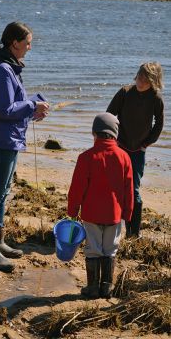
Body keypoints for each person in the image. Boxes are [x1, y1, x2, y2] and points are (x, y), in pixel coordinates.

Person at [0, 21, 49, 273]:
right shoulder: (1, 70)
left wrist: (35, 105)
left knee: (3, 192)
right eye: (28, 43)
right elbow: (4, 109)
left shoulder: (9, 67)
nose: (30, 47)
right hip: (1, 140)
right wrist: (32, 107)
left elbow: (13, 104)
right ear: (14, 44)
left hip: (9, 138)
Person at [68, 112, 133, 299]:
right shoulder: (124, 157)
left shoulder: (86, 157)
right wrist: (127, 214)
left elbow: (77, 188)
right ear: (115, 134)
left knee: (93, 249)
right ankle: (107, 287)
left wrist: (72, 210)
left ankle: (92, 288)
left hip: (91, 214)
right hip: (114, 215)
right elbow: (129, 190)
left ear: (94, 134)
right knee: (110, 249)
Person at [107, 62, 164, 238]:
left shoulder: (155, 98)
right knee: (115, 187)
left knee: (134, 191)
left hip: (138, 151)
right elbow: (109, 116)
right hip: (120, 147)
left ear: (154, 80)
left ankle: (133, 234)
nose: (141, 80)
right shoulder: (125, 92)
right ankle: (111, 226)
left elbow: (159, 125)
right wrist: (112, 141)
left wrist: (147, 143)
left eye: (146, 78)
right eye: (139, 76)